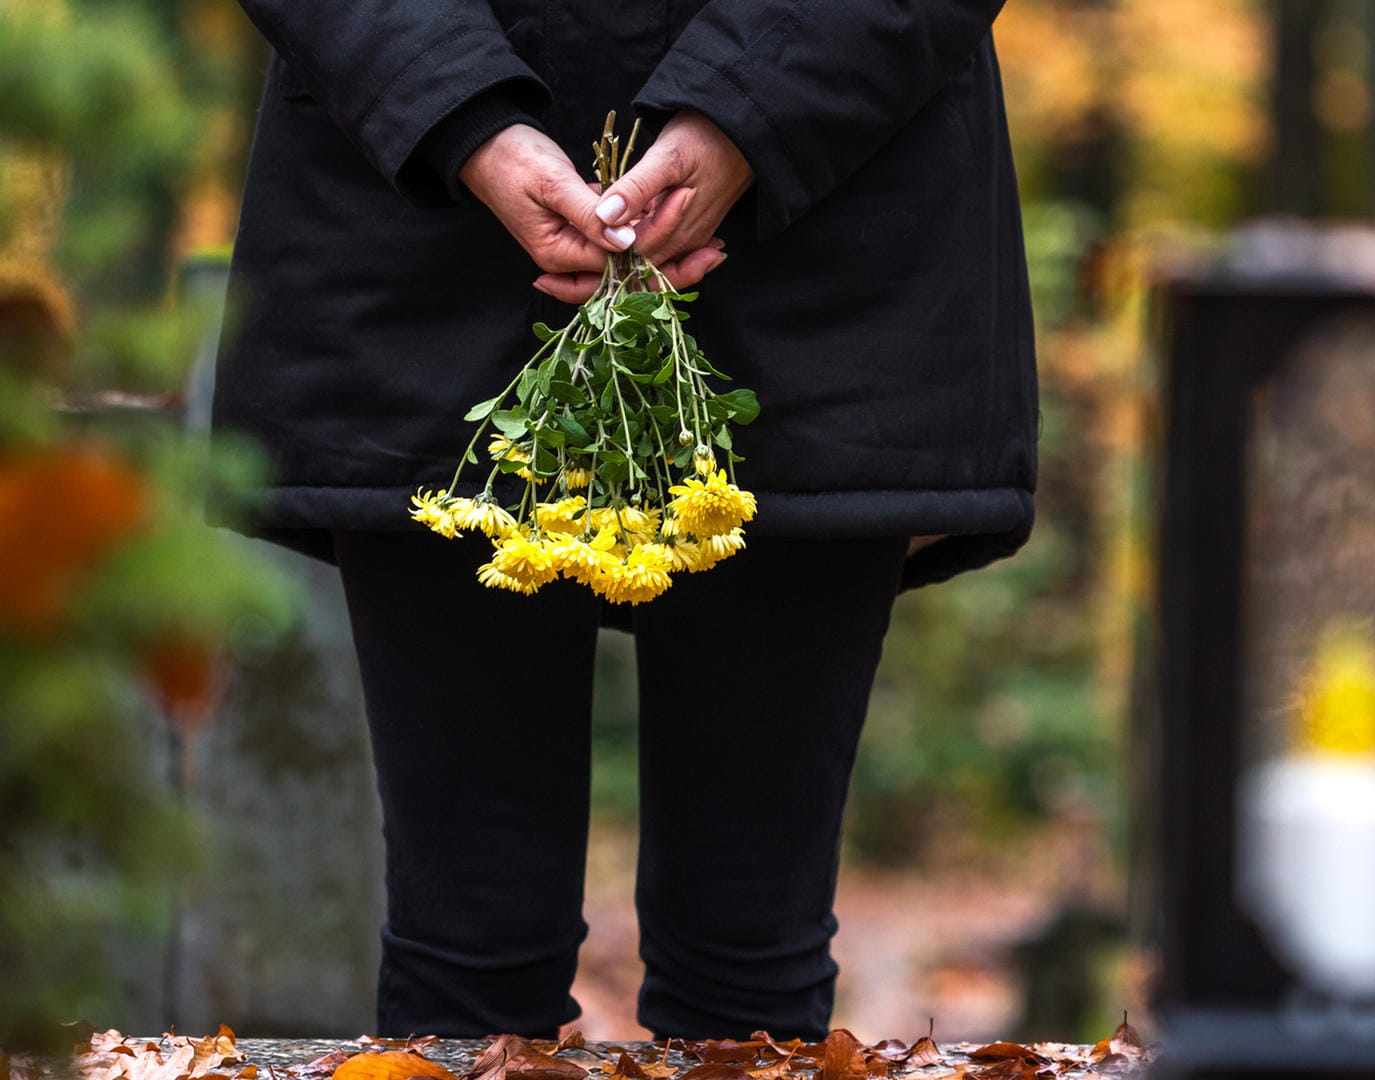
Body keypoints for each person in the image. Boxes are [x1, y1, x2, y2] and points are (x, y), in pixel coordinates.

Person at [215, 0, 1037, 1042]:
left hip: (828, 214)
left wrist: (750, 113)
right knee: (467, 946)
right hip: (423, 226)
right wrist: (463, 119)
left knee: (746, 965)